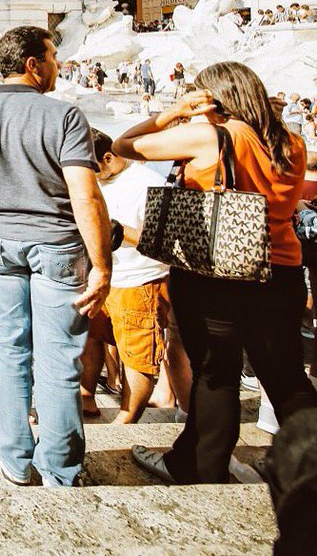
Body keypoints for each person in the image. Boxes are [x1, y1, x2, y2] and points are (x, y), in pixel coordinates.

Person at [113, 62, 317, 484]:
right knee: (286, 377)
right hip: (280, 273)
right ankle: (305, 463)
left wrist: (172, 113)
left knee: (215, 372)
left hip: (216, 273)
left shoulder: (212, 136)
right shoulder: (291, 142)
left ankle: (200, 468)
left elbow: (125, 145)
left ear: (212, 98)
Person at [0, 25, 111, 488]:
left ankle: (17, 457)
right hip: (56, 243)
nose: (59, 65)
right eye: (54, 56)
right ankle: (61, 468)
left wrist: (3, 190)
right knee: (60, 357)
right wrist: (102, 265)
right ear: (33, 64)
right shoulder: (65, 117)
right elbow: (85, 194)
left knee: (9, 347)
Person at [79, 131, 168, 424]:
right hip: (100, 278)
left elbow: (167, 243)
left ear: (108, 158)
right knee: (90, 339)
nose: (90, 175)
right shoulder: (93, 180)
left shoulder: (150, 184)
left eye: (93, 168)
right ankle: (86, 397)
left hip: (139, 281)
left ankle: (126, 420)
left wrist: (119, 230)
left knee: (136, 355)